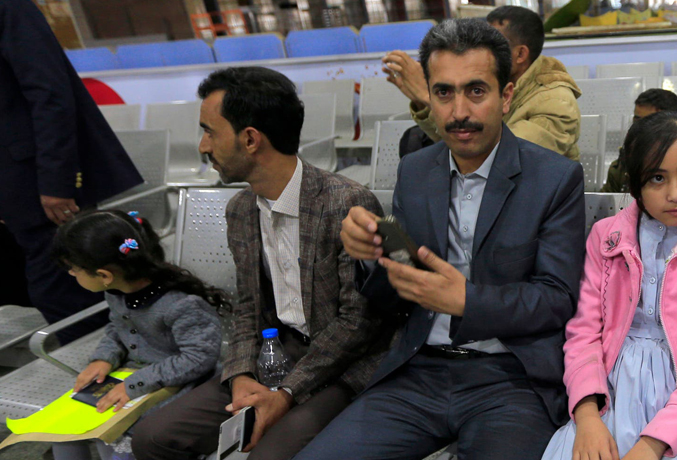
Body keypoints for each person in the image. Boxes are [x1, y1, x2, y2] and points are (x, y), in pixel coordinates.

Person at [295, 18, 586, 459]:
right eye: (444, 93)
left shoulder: (554, 178)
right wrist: (372, 253)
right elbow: (397, 287)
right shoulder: (416, 170)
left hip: (511, 379)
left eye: (476, 91)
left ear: (506, 96)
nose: (458, 112)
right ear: (428, 96)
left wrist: (468, 300)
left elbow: (557, 299)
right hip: (419, 370)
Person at [131, 67, 391, 460]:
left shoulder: (345, 202)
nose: (202, 146)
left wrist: (286, 392)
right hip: (278, 351)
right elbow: (248, 306)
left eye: (210, 132)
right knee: (153, 438)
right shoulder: (240, 210)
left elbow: (359, 322)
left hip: (344, 363)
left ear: (250, 139)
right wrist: (240, 373)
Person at [542, 111, 677, 460]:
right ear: (635, 184)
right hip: (608, 390)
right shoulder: (605, 238)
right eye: (657, 178)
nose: (676, 194)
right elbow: (583, 333)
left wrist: (654, 443)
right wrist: (587, 416)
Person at [0, 0, 143, 343]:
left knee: (65, 291)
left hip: (38, 183)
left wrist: (57, 181)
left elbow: (50, 94)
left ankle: (108, 363)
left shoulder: (10, 7)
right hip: (10, 190)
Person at [49, 210, 223, 460]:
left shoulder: (181, 304)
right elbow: (117, 327)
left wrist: (136, 383)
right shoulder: (117, 291)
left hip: (181, 383)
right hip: (134, 376)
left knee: (118, 434)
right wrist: (104, 357)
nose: (71, 274)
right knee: (62, 428)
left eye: (74, 269)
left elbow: (199, 358)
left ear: (104, 275)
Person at [381, 6, 582, 160]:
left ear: (520, 54)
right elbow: (463, 141)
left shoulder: (556, 101)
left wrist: (428, 96)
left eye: (496, 43)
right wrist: (428, 102)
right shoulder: (496, 82)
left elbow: (506, 159)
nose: (483, 49)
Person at [600, 89, 677, 193]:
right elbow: (607, 201)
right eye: (637, 120)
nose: (641, 127)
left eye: (650, 122)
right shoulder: (622, 167)